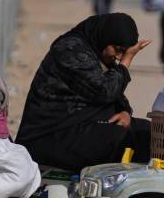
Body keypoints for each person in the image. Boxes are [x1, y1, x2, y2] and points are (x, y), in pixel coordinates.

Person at [15, 13, 152, 172]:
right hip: (49, 136)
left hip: (78, 124)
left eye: (125, 52)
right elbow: (105, 90)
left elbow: (115, 95)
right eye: (118, 50)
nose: (119, 57)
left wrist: (125, 113)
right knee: (119, 140)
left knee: (147, 132)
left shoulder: (95, 50)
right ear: (104, 38)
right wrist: (126, 62)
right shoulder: (70, 50)